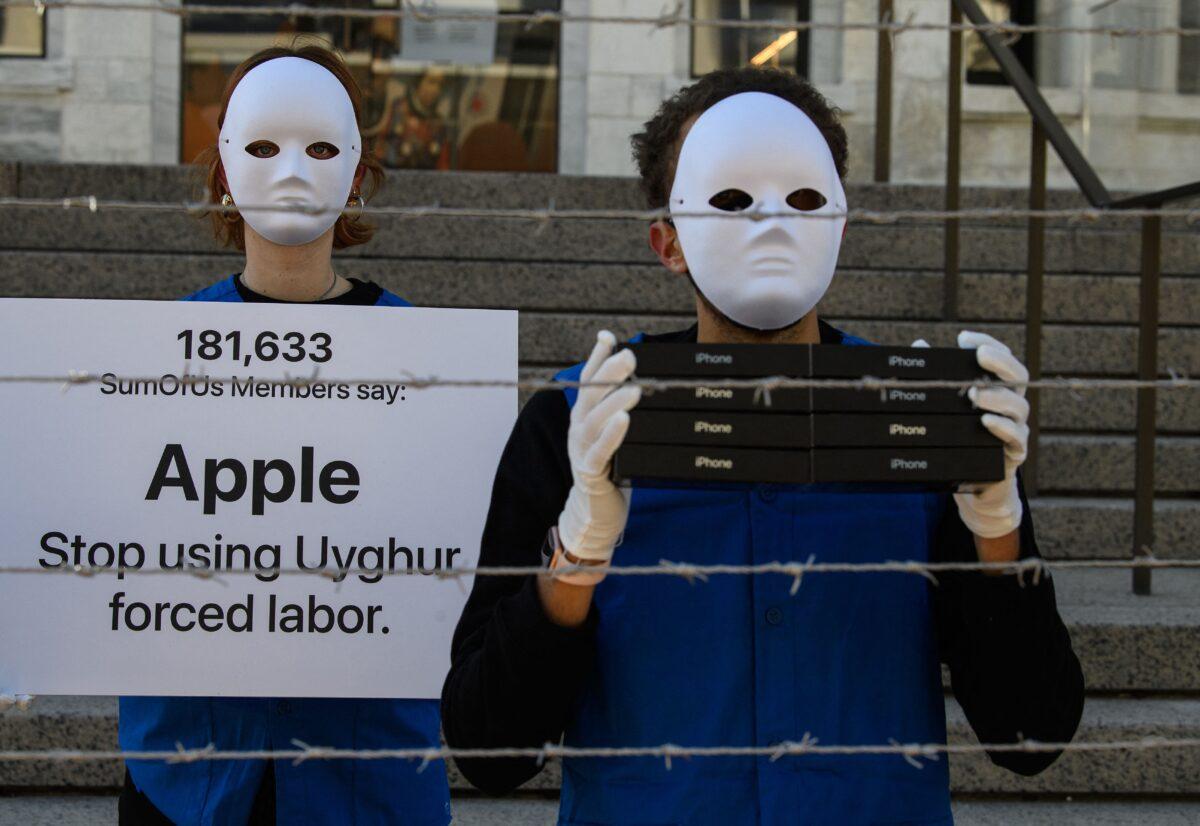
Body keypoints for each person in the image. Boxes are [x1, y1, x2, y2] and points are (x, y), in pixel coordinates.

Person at [441, 68, 1085, 825]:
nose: (770, 224)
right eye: (731, 199)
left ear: (840, 225)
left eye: (804, 199)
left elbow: (1030, 736)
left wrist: (996, 532)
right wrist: (574, 560)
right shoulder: (579, 420)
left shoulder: (920, 422)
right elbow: (488, 750)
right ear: (667, 241)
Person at [118, 46, 451, 826]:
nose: (293, 170)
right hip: (189, 772)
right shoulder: (157, 354)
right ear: (225, 169)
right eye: (263, 147)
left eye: (322, 147)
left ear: (358, 170)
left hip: (368, 778)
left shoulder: (428, 363)